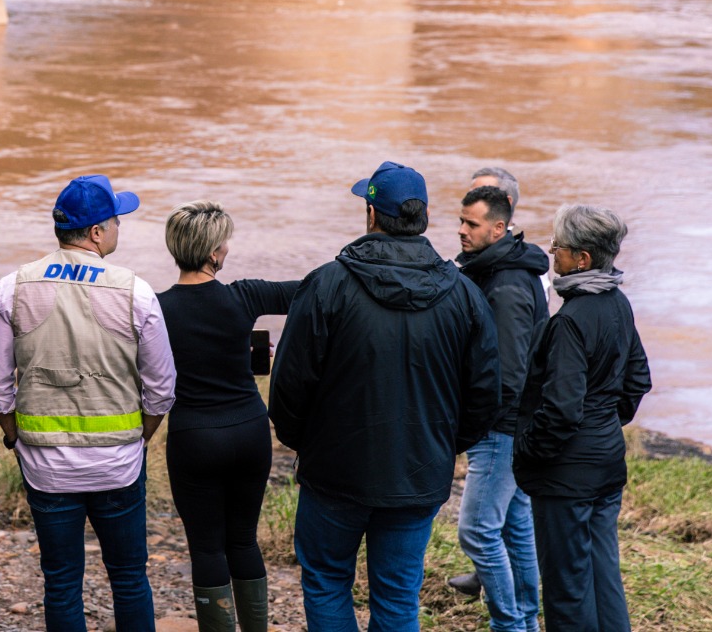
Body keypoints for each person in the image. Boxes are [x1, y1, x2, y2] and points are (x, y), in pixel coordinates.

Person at [268, 161, 502, 632]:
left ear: (372, 216)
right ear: (424, 219)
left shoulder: (326, 284)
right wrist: (441, 446)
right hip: (417, 472)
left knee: (327, 581)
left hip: (335, 472)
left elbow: (289, 386)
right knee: (397, 597)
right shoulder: (463, 294)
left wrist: (305, 443)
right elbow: (484, 394)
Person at [0, 174, 176, 632]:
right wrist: (139, 438)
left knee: (62, 582)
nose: (119, 229)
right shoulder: (136, 291)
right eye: (116, 221)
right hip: (119, 465)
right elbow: (162, 388)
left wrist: (15, 438)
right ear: (96, 232)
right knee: (129, 578)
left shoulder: (12, 287)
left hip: (46, 468)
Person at [155, 202, 299, 632]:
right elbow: (313, 289)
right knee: (243, 540)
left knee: (206, 549)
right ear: (214, 252)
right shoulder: (246, 295)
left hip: (193, 435)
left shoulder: (156, 306)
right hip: (249, 432)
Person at [514, 205, 652, 632]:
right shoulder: (619, 303)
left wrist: (529, 451)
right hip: (607, 465)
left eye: (559, 247)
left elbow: (560, 409)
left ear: (582, 260)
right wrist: (604, 424)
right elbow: (638, 380)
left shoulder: (570, 321)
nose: (552, 253)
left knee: (567, 589)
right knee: (603, 577)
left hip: (566, 477)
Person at [448, 185, 548, 632]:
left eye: (471, 224)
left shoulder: (505, 286)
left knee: (478, 531)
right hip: (517, 426)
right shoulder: (503, 270)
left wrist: (472, 424)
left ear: (498, 228)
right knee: (514, 526)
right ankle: (524, 619)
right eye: (461, 221)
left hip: (501, 428)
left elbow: (507, 376)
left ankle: (509, 623)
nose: (461, 231)